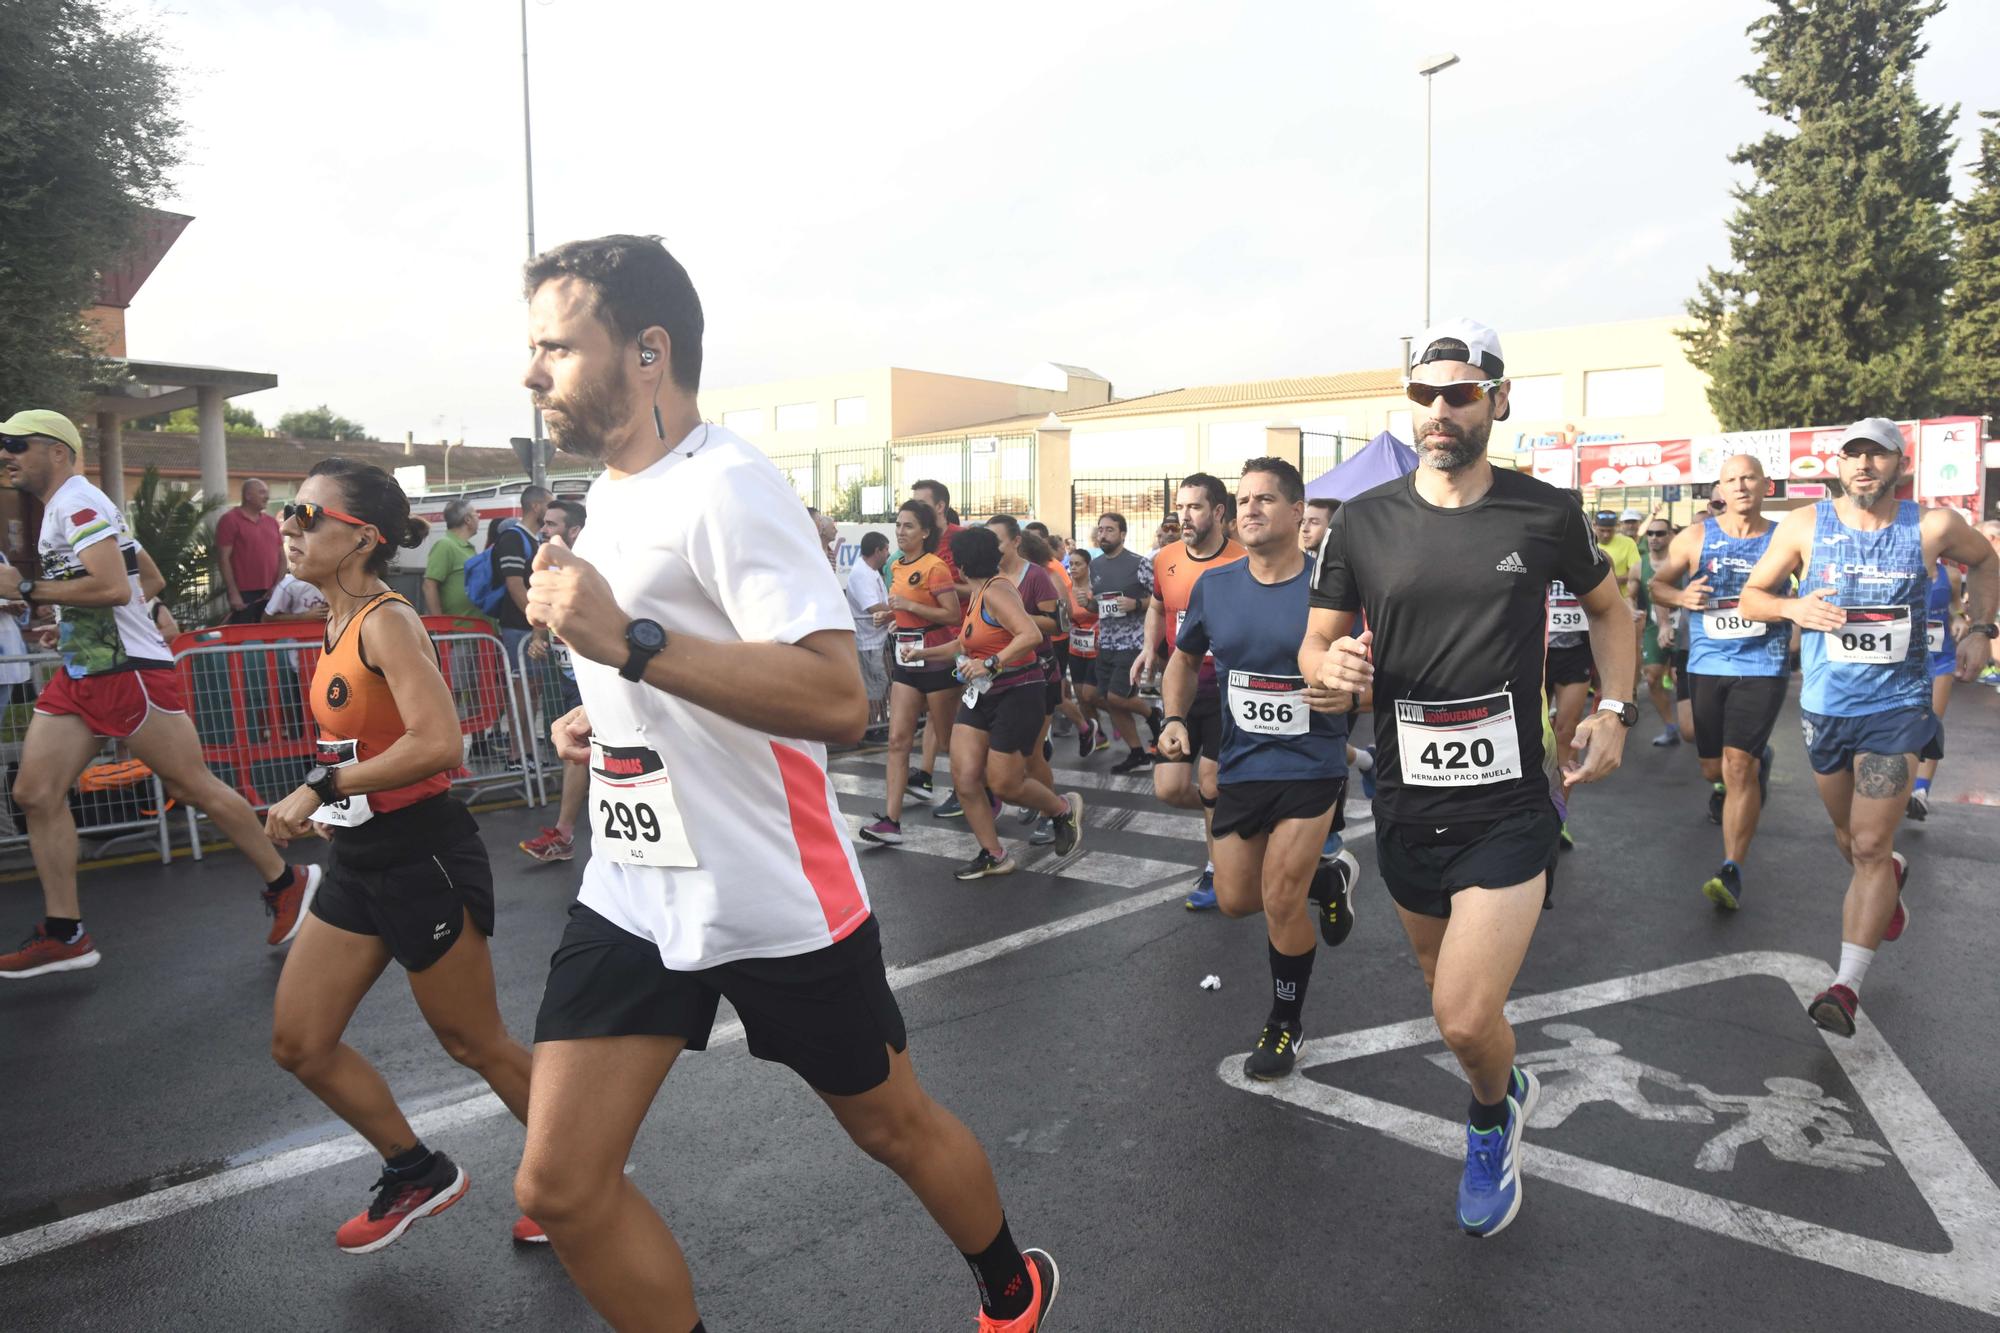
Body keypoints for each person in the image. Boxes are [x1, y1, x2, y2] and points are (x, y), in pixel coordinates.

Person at [515, 235, 1056, 1332]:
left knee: (890, 1125)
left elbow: (829, 698)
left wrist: (627, 649)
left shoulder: (728, 485)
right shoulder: (610, 494)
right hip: (633, 883)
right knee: (558, 1188)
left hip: (772, 894)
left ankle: (1009, 1282)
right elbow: (669, 664)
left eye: (556, 348)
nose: (532, 374)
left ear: (647, 352)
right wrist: (608, 713)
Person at [1303, 320, 1635, 1238]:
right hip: (1407, 802)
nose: (1440, 410)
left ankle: (1491, 1118)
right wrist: (1326, 671)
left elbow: (1612, 611)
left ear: (1497, 399)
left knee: (1459, 1013)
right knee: (1440, 984)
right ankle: (1507, 1078)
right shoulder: (1363, 523)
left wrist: (1614, 709)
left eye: (1459, 393)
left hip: (1509, 803)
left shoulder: (1543, 511)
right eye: (1425, 395)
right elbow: (1316, 641)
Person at [259, 457, 541, 1250]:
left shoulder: (386, 619)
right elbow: (370, 738)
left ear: (362, 539)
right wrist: (342, 802)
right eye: (290, 507)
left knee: (473, 1041)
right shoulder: (331, 617)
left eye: (308, 514)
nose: (289, 524)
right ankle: (416, 1168)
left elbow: (440, 742)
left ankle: (581, 1175)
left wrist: (323, 784)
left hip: (424, 858)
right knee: (300, 1042)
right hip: (361, 858)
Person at [0, 409, 319, 979]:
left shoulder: (78, 501)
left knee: (189, 785)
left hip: (130, 672)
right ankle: (64, 932)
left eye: (16, 444)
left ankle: (286, 881)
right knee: (35, 791)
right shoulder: (74, 508)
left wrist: (25, 587)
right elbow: (148, 579)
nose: (6, 455)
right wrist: (71, 620)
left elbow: (114, 586)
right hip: (83, 673)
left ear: (57, 450)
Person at [1738, 417, 1997, 1037]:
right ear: (1838, 465)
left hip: (1900, 708)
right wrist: (1791, 606)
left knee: (1871, 844)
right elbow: (1751, 596)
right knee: (1850, 841)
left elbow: (1986, 559)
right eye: (1852, 455)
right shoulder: (1805, 524)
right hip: (1828, 708)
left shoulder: (1931, 525)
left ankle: (1845, 985)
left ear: (1898, 465)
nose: (1863, 466)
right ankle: (1889, 882)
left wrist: (1982, 629)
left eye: (1876, 456)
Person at [1163, 458, 1356, 1080]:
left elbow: (1376, 671)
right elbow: (1183, 661)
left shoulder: (1334, 592)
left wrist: (1350, 694)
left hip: (1310, 763)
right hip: (1244, 765)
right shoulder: (1215, 587)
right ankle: (1329, 882)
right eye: (1243, 499)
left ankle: (1284, 1022)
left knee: (1278, 900)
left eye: (1266, 499)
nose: (1250, 509)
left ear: (1299, 515)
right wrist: (1174, 719)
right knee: (1235, 899)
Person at [1649, 455, 1787, 911]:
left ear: (1766, 485)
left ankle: (1731, 868)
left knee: (1736, 767)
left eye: (1750, 478)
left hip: (1762, 665)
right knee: (1713, 770)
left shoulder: (1783, 537)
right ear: (1721, 490)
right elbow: (1658, 586)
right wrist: (1681, 595)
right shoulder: (1696, 536)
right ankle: (1755, 756)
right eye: (1732, 480)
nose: (1741, 486)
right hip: (1708, 664)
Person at [915, 526, 1083, 878]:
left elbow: (1031, 634)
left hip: (1018, 692)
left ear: (960, 566)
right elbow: (963, 644)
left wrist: (991, 662)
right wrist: (922, 652)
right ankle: (994, 854)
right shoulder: (979, 593)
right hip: (983, 693)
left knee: (1006, 783)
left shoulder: (996, 591)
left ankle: (1062, 809)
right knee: (965, 777)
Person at [1134, 474, 1245, 910]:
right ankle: (1230, 810)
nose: (1184, 516)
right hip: (1182, 683)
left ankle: (1217, 869)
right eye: (1180, 507)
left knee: (1210, 778)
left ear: (1218, 512)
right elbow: (1158, 607)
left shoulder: (1242, 559)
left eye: (1194, 507)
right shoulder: (1165, 559)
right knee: (1169, 786)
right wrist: (1148, 647)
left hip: (1226, 686)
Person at [859, 500, 963, 845]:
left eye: (908, 526)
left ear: (925, 532)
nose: (900, 532)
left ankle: (984, 792)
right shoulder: (894, 565)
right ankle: (891, 821)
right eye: (898, 525)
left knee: (948, 742)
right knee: (897, 740)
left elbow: (951, 615)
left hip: (936, 660)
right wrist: (889, 616)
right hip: (906, 662)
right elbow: (904, 609)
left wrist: (910, 606)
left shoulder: (935, 568)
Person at [986, 518, 1068, 846]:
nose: (992, 548)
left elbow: (1055, 624)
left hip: (1038, 672)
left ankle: (1054, 814)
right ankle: (1030, 798)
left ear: (1016, 541)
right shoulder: (989, 577)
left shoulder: (1035, 576)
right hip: (999, 675)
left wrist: (1012, 616)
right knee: (1004, 751)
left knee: (1032, 750)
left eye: (998, 541)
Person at [521, 499, 593, 863]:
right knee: (578, 756)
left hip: (599, 680)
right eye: (543, 522)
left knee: (582, 756)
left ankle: (566, 834)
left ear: (574, 531)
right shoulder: (550, 568)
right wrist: (537, 638)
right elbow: (548, 622)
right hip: (572, 679)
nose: (544, 528)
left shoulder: (593, 567)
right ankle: (565, 834)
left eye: (552, 524)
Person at [1087, 511, 1160, 773]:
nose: (1103, 534)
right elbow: (1100, 604)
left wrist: (1137, 603)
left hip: (1133, 642)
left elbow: (1160, 599)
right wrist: (1089, 603)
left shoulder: (1139, 563)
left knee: (1117, 697)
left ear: (1122, 534)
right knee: (1108, 699)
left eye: (1109, 530)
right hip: (1106, 642)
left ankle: (1154, 716)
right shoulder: (1095, 566)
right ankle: (1137, 753)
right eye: (1101, 529)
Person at [492, 486, 551, 764]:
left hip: (530, 629)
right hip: (520, 628)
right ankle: (517, 754)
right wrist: (535, 621)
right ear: (537, 506)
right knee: (522, 689)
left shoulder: (533, 539)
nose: (550, 510)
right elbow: (515, 585)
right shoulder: (514, 539)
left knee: (533, 689)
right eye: (548, 504)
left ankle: (527, 752)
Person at [1906, 553, 1963, 821]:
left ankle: (1920, 792)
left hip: (1941, 659)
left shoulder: (1950, 575)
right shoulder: (1901, 570)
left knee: (1932, 722)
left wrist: (1961, 618)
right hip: (1906, 660)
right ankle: (1900, 786)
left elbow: (1955, 607)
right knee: (1901, 723)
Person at [264, 569, 332, 741]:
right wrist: (303, 617)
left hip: (339, 658)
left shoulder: (341, 577)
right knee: (308, 717)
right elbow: (267, 618)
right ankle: (310, 763)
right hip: (303, 664)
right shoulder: (290, 584)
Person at [845, 529, 893, 737]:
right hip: (869, 641)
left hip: (879, 639)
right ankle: (871, 728)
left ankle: (879, 724)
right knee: (875, 684)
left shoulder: (871, 571)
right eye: (886, 549)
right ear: (877, 550)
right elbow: (874, 607)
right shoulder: (861, 573)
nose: (888, 553)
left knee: (882, 682)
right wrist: (900, 610)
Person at [1637, 518, 1681, 746]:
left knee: (1681, 680)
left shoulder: (1683, 562)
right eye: (1651, 534)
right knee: (1652, 677)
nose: (1654, 538)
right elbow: (1631, 595)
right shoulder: (1640, 564)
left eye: (1660, 533)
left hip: (1685, 627)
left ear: (1671, 535)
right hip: (1655, 628)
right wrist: (1629, 608)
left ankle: (1695, 724)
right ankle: (1671, 727)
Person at [217, 477, 284, 623]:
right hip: (244, 593)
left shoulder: (271, 522)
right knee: (244, 636)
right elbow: (223, 559)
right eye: (261, 492)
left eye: (266, 492)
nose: (267, 497)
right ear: (248, 496)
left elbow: (282, 557)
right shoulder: (230, 520)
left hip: (271, 592)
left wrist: (278, 587)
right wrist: (233, 592)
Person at [1060, 547, 1106, 755]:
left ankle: (1121, 710)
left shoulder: (1097, 587)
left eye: (1078, 564)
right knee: (1081, 697)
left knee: (1089, 695)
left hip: (1097, 647)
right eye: (1070, 564)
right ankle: (1100, 735)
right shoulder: (1066, 589)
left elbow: (1106, 614)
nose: (1073, 568)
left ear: (1089, 566)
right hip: (1076, 648)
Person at [421, 498, 490, 623]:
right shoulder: (445, 545)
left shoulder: (467, 547)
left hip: (475, 630)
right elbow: (429, 585)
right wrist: (441, 625)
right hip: (459, 632)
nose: (478, 518)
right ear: (467, 520)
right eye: (476, 514)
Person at [911, 479, 966, 593]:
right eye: (913, 505)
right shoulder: (915, 541)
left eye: (921, 504)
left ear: (940, 506)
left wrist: (939, 586)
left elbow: (981, 588)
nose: (915, 510)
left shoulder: (965, 538)